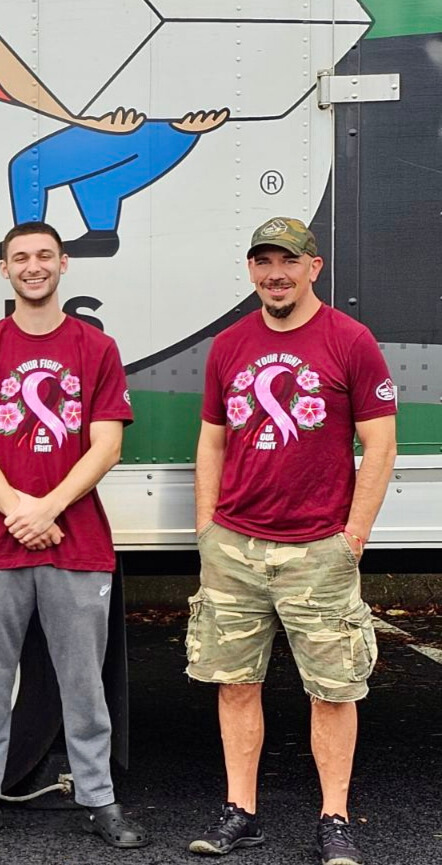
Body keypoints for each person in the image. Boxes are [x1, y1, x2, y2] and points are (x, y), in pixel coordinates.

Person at [186, 217, 396, 865]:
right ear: (251, 270)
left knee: (333, 688)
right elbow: (212, 440)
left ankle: (334, 817)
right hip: (236, 547)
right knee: (235, 682)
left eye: (288, 260)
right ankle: (240, 810)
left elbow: (380, 441)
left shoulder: (350, 340)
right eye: (263, 261)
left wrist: (353, 533)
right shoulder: (229, 345)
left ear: (315, 266)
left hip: (319, 548)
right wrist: (207, 529)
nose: (275, 272)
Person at [0, 222, 147, 849]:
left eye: (44, 256)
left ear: (64, 265)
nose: (33, 266)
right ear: (4, 270)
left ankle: (99, 800)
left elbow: (107, 443)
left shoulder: (95, 347)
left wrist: (48, 506)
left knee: (83, 681)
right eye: (20, 258)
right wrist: (19, 513)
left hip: (76, 542)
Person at [0, 0, 228, 258]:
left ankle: (25, 244)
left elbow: (31, 89)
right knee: (97, 186)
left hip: (143, 125)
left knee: (26, 167)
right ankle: (102, 236)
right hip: (153, 127)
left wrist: (86, 121)